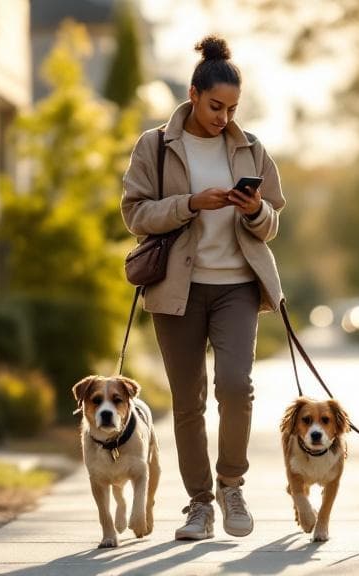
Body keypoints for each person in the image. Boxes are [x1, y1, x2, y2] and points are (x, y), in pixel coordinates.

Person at [121, 35, 285, 541]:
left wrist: (253, 209)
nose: (223, 116)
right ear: (193, 94)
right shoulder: (154, 145)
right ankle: (199, 505)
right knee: (188, 401)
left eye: (232, 108)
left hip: (236, 285)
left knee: (236, 388)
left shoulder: (251, 148)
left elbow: (273, 219)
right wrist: (191, 203)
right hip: (177, 287)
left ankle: (231, 485)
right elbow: (134, 213)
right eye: (215, 105)